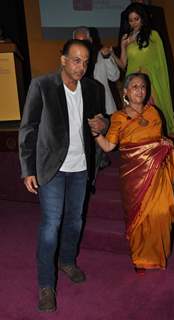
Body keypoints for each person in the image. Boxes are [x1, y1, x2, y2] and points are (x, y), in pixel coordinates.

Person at [19, 39, 106, 312]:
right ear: (63, 60)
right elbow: (28, 128)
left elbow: (101, 120)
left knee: (74, 222)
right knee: (50, 225)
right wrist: (27, 169)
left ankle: (67, 260)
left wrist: (103, 123)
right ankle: (46, 284)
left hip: (81, 167)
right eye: (76, 60)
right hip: (52, 168)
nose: (81, 67)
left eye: (85, 61)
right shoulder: (42, 86)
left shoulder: (93, 88)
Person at [88, 72, 174, 274]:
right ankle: (140, 258)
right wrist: (95, 134)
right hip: (133, 178)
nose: (140, 90)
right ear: (126, 91)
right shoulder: (119, 117)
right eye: (135, 87)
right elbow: (110, 146)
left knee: (160, 213)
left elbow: (158, 141)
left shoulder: (155, 113)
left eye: (143, 87)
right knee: (139, 218)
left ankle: (157, 255)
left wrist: (166, 145)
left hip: (156, 176)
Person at [113, 3, 174, 136]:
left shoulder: (153, 36)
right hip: (132, 80)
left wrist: (149, 74)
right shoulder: (125, 38)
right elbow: (123, 64)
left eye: (136, 19)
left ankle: (158, 133)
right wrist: (115, 51)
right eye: (130, 20)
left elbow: (160, 60)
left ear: (142, 19)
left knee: (152, 108)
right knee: (136, 110)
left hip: (150, 78)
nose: (133, 23)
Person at [73, 27, 120, 187]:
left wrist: (107, 58)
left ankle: (91, 176)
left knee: (98, 137)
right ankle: (95, 166)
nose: (81, 44)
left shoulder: (101, 54)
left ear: (91, 41)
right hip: (82, 110)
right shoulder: (72, 61)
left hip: (104, 109)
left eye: (84, 41)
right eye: (78, 41)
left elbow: (115, 76)